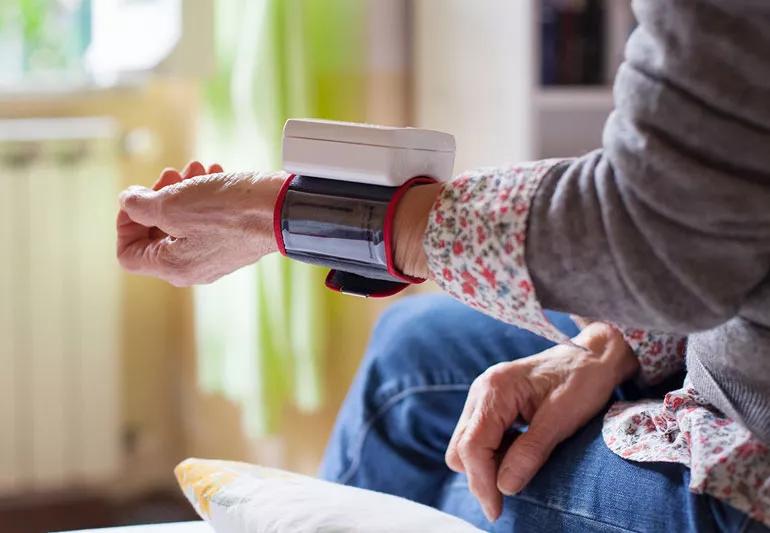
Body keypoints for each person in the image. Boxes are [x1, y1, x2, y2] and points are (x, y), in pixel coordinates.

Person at [117, 1, 770, 531]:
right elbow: (723, 204)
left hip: (748, 472)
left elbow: (649, 229)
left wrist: (277, 216)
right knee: (413, 346)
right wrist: (612, 344)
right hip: (726, 342)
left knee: (450, 479)